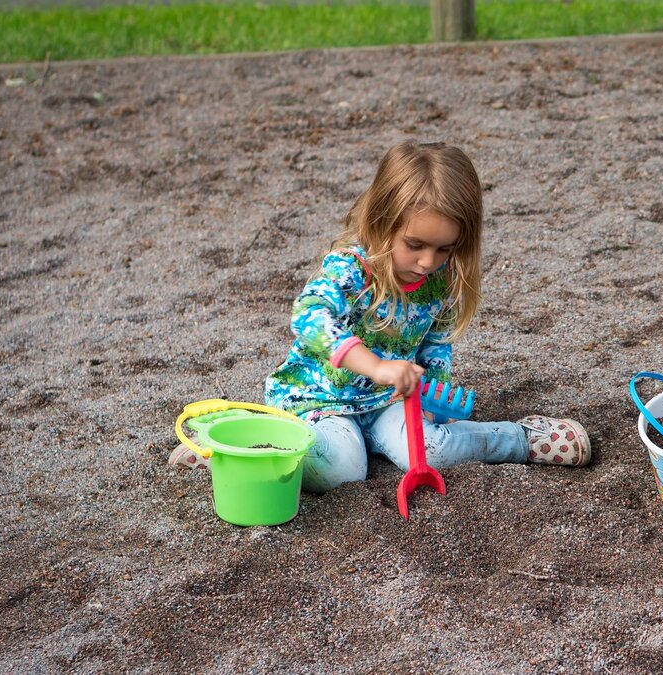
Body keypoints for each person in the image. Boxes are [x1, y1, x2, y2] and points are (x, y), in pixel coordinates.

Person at [242, 141, 589, 493]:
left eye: (444, 248)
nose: (428, 262)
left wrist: (432, 401)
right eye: (415, 245)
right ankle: (243, 447)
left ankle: (522, 439)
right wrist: (375, 367)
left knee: (431, 450)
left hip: (391, 400)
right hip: (321, 400)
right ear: (382, 223)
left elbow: (435, 345)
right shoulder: (351, 269)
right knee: (339, 472)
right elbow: (309, 316)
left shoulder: (441, 279)